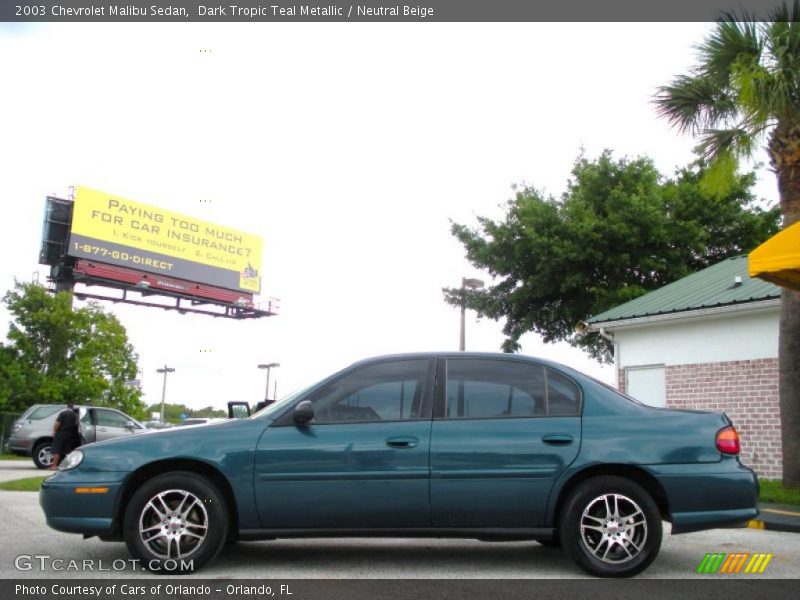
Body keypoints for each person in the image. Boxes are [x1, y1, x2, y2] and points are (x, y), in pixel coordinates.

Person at [50, 404, 82, 469]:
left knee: (57, 449)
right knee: (67, 451)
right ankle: (66, 466)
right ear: (72, 408)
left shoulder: (63, 413)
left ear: (67, 407)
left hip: (61, 433)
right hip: (70, 435)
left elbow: (57, 423)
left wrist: (54, 431)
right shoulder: (75, 415)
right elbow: (76, 424)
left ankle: (54, 466)